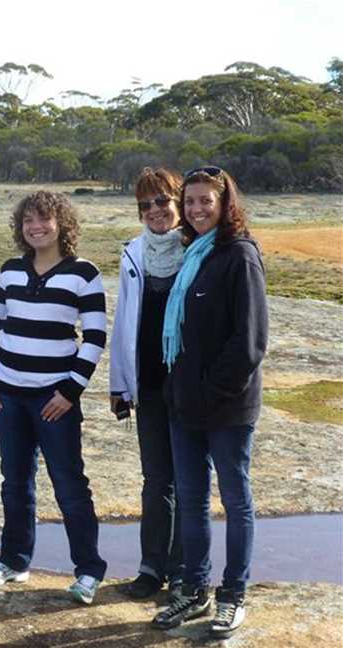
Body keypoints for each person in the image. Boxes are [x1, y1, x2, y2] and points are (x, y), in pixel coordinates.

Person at [0, 190, 107, 605]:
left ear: (62, 224)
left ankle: (87, 571)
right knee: (15, 483)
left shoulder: (84, 273)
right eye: (29, 220)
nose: (36, 227)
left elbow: (95, 337)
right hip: (8, 395)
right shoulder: (10, 270)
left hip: (55, 401)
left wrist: (70, 390)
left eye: (45, 219)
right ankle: (13, 561)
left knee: (69, 486)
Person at [150, 167, 267, 640]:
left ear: (225, 203)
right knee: (193, 500)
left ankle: (232, 594)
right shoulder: (193, 254)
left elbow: (250, 342)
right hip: (185, 404)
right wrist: (179, 391)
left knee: (235, 500)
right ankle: (194, 589)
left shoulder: (239, 255)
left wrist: (209, 389)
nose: (197, 209)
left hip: (227, 406)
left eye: (206, 201)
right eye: (191, 200)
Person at [109, 167, 185, 600]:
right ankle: (151, 567)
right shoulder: (134, 253)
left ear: (178, 201)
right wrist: (121, 383)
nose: (155, 211)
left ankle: (186, 571)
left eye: (162, 201)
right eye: (146, 204)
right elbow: (125, 320)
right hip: (150, 384)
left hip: (192, 387)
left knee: (190, 480)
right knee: (156, 479)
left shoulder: (199, 249)